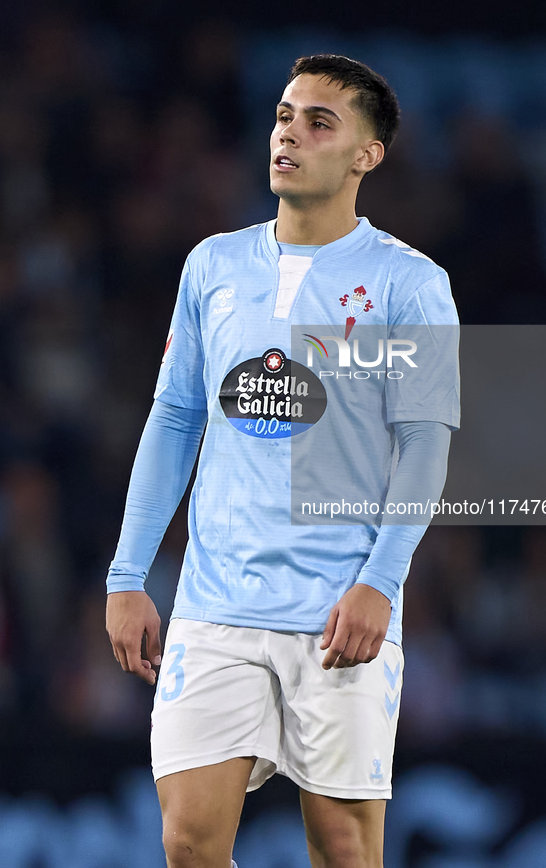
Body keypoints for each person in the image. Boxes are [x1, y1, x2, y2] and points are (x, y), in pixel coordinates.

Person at [106, 54, 460, 868]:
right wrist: (129, 576)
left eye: (317, 122)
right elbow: (174, 420)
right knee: (189, 842)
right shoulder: (214, 266)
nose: (287, 134)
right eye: (281, 115)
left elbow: (424, 442)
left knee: (341, 847)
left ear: (366, 155)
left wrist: (381, 579)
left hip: (338, 610)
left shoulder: (408, 283)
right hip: (215, 603)